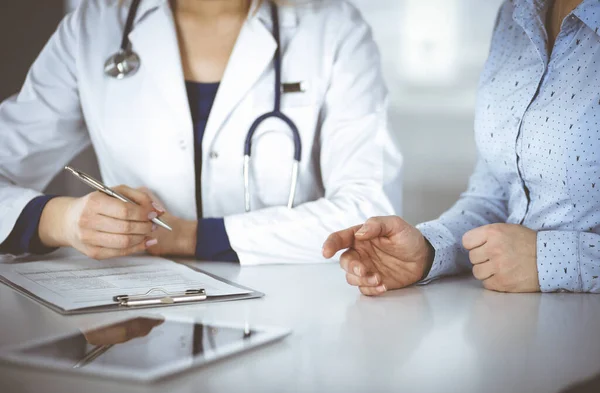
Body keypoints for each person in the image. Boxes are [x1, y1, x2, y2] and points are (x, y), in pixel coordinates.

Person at [0, 0, 402, 264]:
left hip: (291, 312)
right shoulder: (93, 27)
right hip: (136, 313)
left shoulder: (333, 29)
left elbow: (367, 211)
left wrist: (187, 236)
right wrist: (61, 219)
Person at [323, 0, 600, 293]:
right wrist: (427, 250)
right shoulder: (515, 13)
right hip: (511, 325)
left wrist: (556, 260)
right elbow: (495, 198)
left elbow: (536, 255)